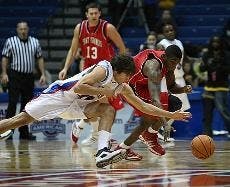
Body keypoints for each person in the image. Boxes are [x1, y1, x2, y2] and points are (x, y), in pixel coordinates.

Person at [0, 55, 192, 168]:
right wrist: (104, 91)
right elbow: (79, 87)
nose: (129, 79)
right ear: (119, 70)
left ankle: (101, 152)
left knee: (108, 109)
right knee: (20, 120)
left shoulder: (122, 86)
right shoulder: (104, 69)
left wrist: (170, 116)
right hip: (61, 95)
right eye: (127, 74)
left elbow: (143, 106)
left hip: (79, 105)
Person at [58, 2, 126, 146]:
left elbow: (121, 48)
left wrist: (122, 68)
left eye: (96, 13)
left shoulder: (108, 28)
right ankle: (97, 135)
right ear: (86, 14)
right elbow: (72, 50)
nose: (94, 16)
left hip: (107, 70)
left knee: (107, 105)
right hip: (89, 71)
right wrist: (65, 68)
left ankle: (83, 126)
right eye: (91, 13)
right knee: (98, 104)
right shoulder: (80, 28)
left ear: (100, 14)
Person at [114, 45, 192, 158]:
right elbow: (155, 101)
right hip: (131, 86)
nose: (174, 66)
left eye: (177, 63)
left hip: (145, 85)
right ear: (164, 57)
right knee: (149, 119)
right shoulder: (153, 67)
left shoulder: (169, 63)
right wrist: (165, 124)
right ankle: (149, 136)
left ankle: (123, 149)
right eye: (173, 62)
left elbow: (172, 87)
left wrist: (183, 89)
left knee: (174, 103)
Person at [0, 21, 46, 140]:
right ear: (17, 30)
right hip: (15, 75)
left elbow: (39, 58)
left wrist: (42, 74)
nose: (23, 31)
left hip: (28, 77)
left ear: (28, 29)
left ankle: (24, 133)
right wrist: (4, 73)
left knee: (27, 106)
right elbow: (5, 58)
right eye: (21, 29)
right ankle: (7, 132)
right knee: (12, 103)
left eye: (25, 29)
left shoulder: (35, 42)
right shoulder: (10, 41)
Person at [156, 24, 191, 142]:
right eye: (167, 31)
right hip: (168, 79)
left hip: (180, 77)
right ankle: (160, 129)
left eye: (171, 30)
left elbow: (183, 59)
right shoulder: (161, 44)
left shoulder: (179, 42)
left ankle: (164, 129)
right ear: (163, 33)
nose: (170, 32)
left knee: (180, 108)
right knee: (172, 105)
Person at [199, 36, 230, 138]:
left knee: (223, 111)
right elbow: (201, 69)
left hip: (221, 87)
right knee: (207, 113)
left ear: (221, 43)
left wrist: (219, 65)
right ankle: (207, 134)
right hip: (209, 88)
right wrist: (208, 64)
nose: (215, 44)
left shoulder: (226, 55)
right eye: (213, 42)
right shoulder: (207, 55)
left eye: (217, 42)